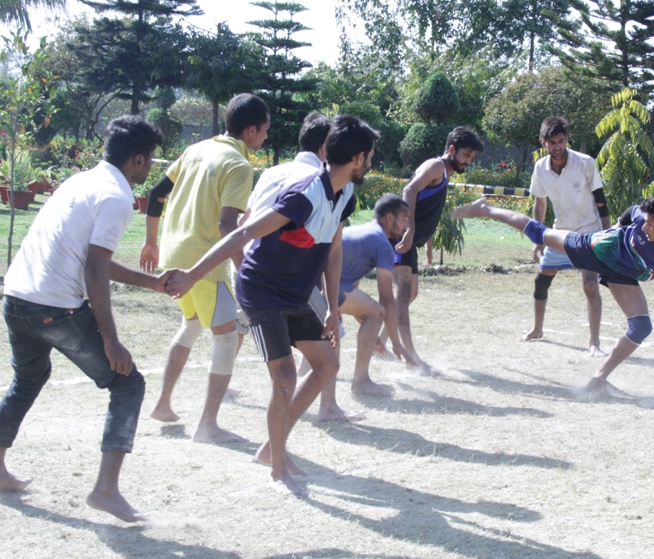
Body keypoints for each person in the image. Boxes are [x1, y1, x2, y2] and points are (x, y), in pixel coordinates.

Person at [166, 115, 376, 497]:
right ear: (359, 158)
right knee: (284, 378)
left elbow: (333, 250)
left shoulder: (345, 196)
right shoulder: (304, 194)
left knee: (327, 364)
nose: (371, 162)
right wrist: (193, 275)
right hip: (261, 289)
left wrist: (332, 306)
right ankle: (278, 470)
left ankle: (269, 448)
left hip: (294, 293)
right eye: (372, 156)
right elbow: (244, 232)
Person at [0, 116, 170, 522]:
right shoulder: (118, 198)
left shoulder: (79, 182)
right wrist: (110, 340)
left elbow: (91, 259)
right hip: (54, 309)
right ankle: (105, 489)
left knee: (28, 379)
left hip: (16, 299)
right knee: (127, 383)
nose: (150, 167)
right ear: (138, 159)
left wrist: (151, 283)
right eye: (151, 160)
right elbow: (95, 271)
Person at [452, 195, 654, 397]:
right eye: (644, 223)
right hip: (594, 249)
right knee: (541, 232)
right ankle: (486, 209)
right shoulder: (641, 220)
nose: (644, 227)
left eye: (650, 225)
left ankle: (599, 378)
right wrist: (616, 230)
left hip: (623, 275)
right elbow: (631, 214)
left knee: (642, 325)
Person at [141, 93, 270, 443]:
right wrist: (245, 270)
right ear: (253, 130)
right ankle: (208, 426)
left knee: (192, 324)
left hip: (172, 253)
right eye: (265, 132)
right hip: (202, 260)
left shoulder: (196, 149)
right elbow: (229, 226)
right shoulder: (240, 165)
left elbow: (155, 193)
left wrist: (151, 242)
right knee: (227, 337)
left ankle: (163, 404)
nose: (266, 138)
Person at [311, 193, 413, 420]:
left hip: (307, 284)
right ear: (389, 218)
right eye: (404, 219)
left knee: (333, 329)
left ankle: (306, 383)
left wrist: (369, 328)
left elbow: (350, 281)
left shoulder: (362, 231)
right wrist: (397, 344)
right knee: (376, 312)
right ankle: (360, 382)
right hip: (322, 287)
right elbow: (387, 300)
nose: (407, 225)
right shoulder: (383, 244)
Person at [393, 126, 485, 371]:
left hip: (410, 242)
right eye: (466, 155)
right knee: (402, 295)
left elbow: (427, 211)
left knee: (409, 294)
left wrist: (427, 247)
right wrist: (409, 229)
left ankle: (379, 340)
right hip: (399, 237)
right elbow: (409, 190)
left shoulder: (444, 173)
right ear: (452, 149)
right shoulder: (435, 166)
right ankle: (410, 356)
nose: (469, 161)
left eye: (472, 158)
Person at [521, 116, 610, 354]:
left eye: (561, 141)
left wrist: (608, 232)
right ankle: (537, 329)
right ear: (543, 143)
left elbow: (601, 201)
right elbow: (540, 205)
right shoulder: (540, 168)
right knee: (541, 281)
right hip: (560, 234)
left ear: (567, 140)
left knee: (591, 285)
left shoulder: (585, 163)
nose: (557, 146)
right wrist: (537, 238)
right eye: (552, 142)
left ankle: (594, 343)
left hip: (589, 233)